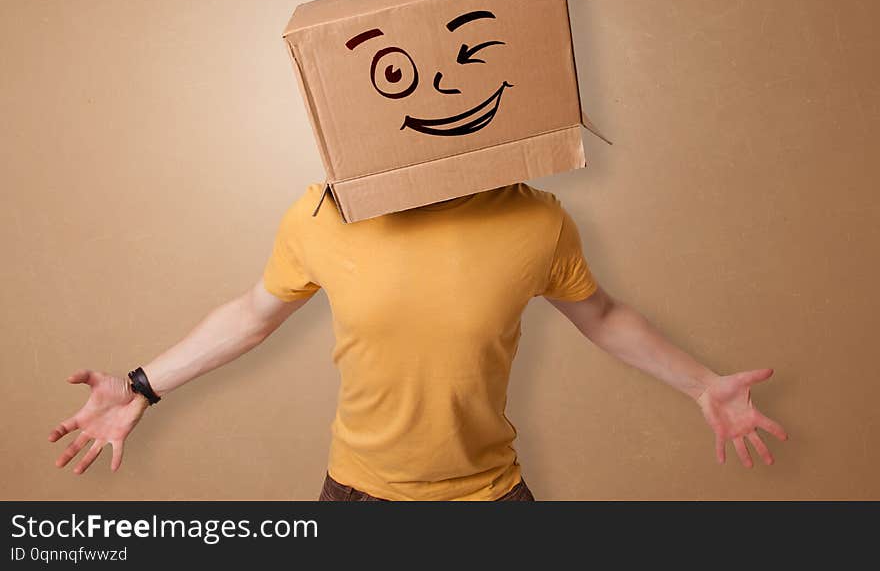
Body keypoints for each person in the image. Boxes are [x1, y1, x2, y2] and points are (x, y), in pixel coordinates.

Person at [48, 181, 789, 501]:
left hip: (491, 496)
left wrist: (702, 383)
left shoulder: (535, 219)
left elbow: (598, 314)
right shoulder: (321, 213)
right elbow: (253, 313)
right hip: (358, 495)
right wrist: (142, 384)